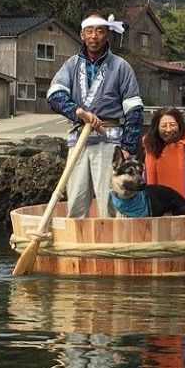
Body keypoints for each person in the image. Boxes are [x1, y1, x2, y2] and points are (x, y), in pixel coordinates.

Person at [47, 12, 143, 218]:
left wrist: (127, 147)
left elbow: (134, 110)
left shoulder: (121, 66)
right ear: (81, 35)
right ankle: (75, 247)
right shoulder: (71, 65)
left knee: (108, 200)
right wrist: (77, 112)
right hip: (78, 140)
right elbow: (54, 94)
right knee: (75, 199)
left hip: (108, 140)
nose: (94, 36)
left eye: (100, 31)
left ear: (107, 35)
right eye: (89, 31)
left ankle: (110, 244)